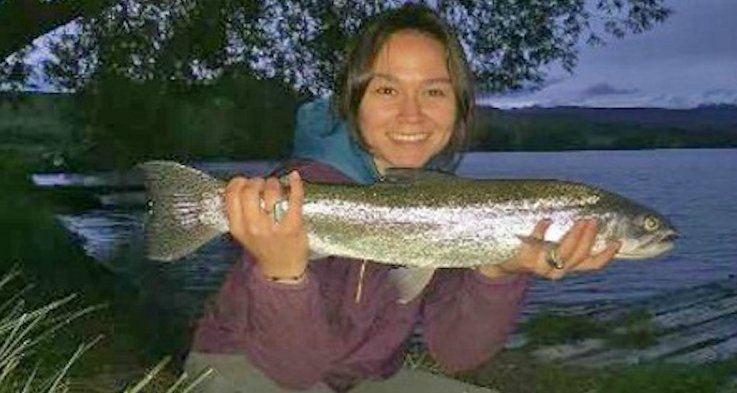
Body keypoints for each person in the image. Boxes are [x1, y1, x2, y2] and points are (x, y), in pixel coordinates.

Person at [184, 4, 621, 393]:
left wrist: (499, 267)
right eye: (387, 90)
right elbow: (294, 372)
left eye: (434, 91)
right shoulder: (292, 193)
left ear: (459, 107)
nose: (411, 115)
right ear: (352, 102)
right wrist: (282, 275)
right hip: (244, 369)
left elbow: (457, 353)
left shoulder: (447, 209)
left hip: (358, 380)